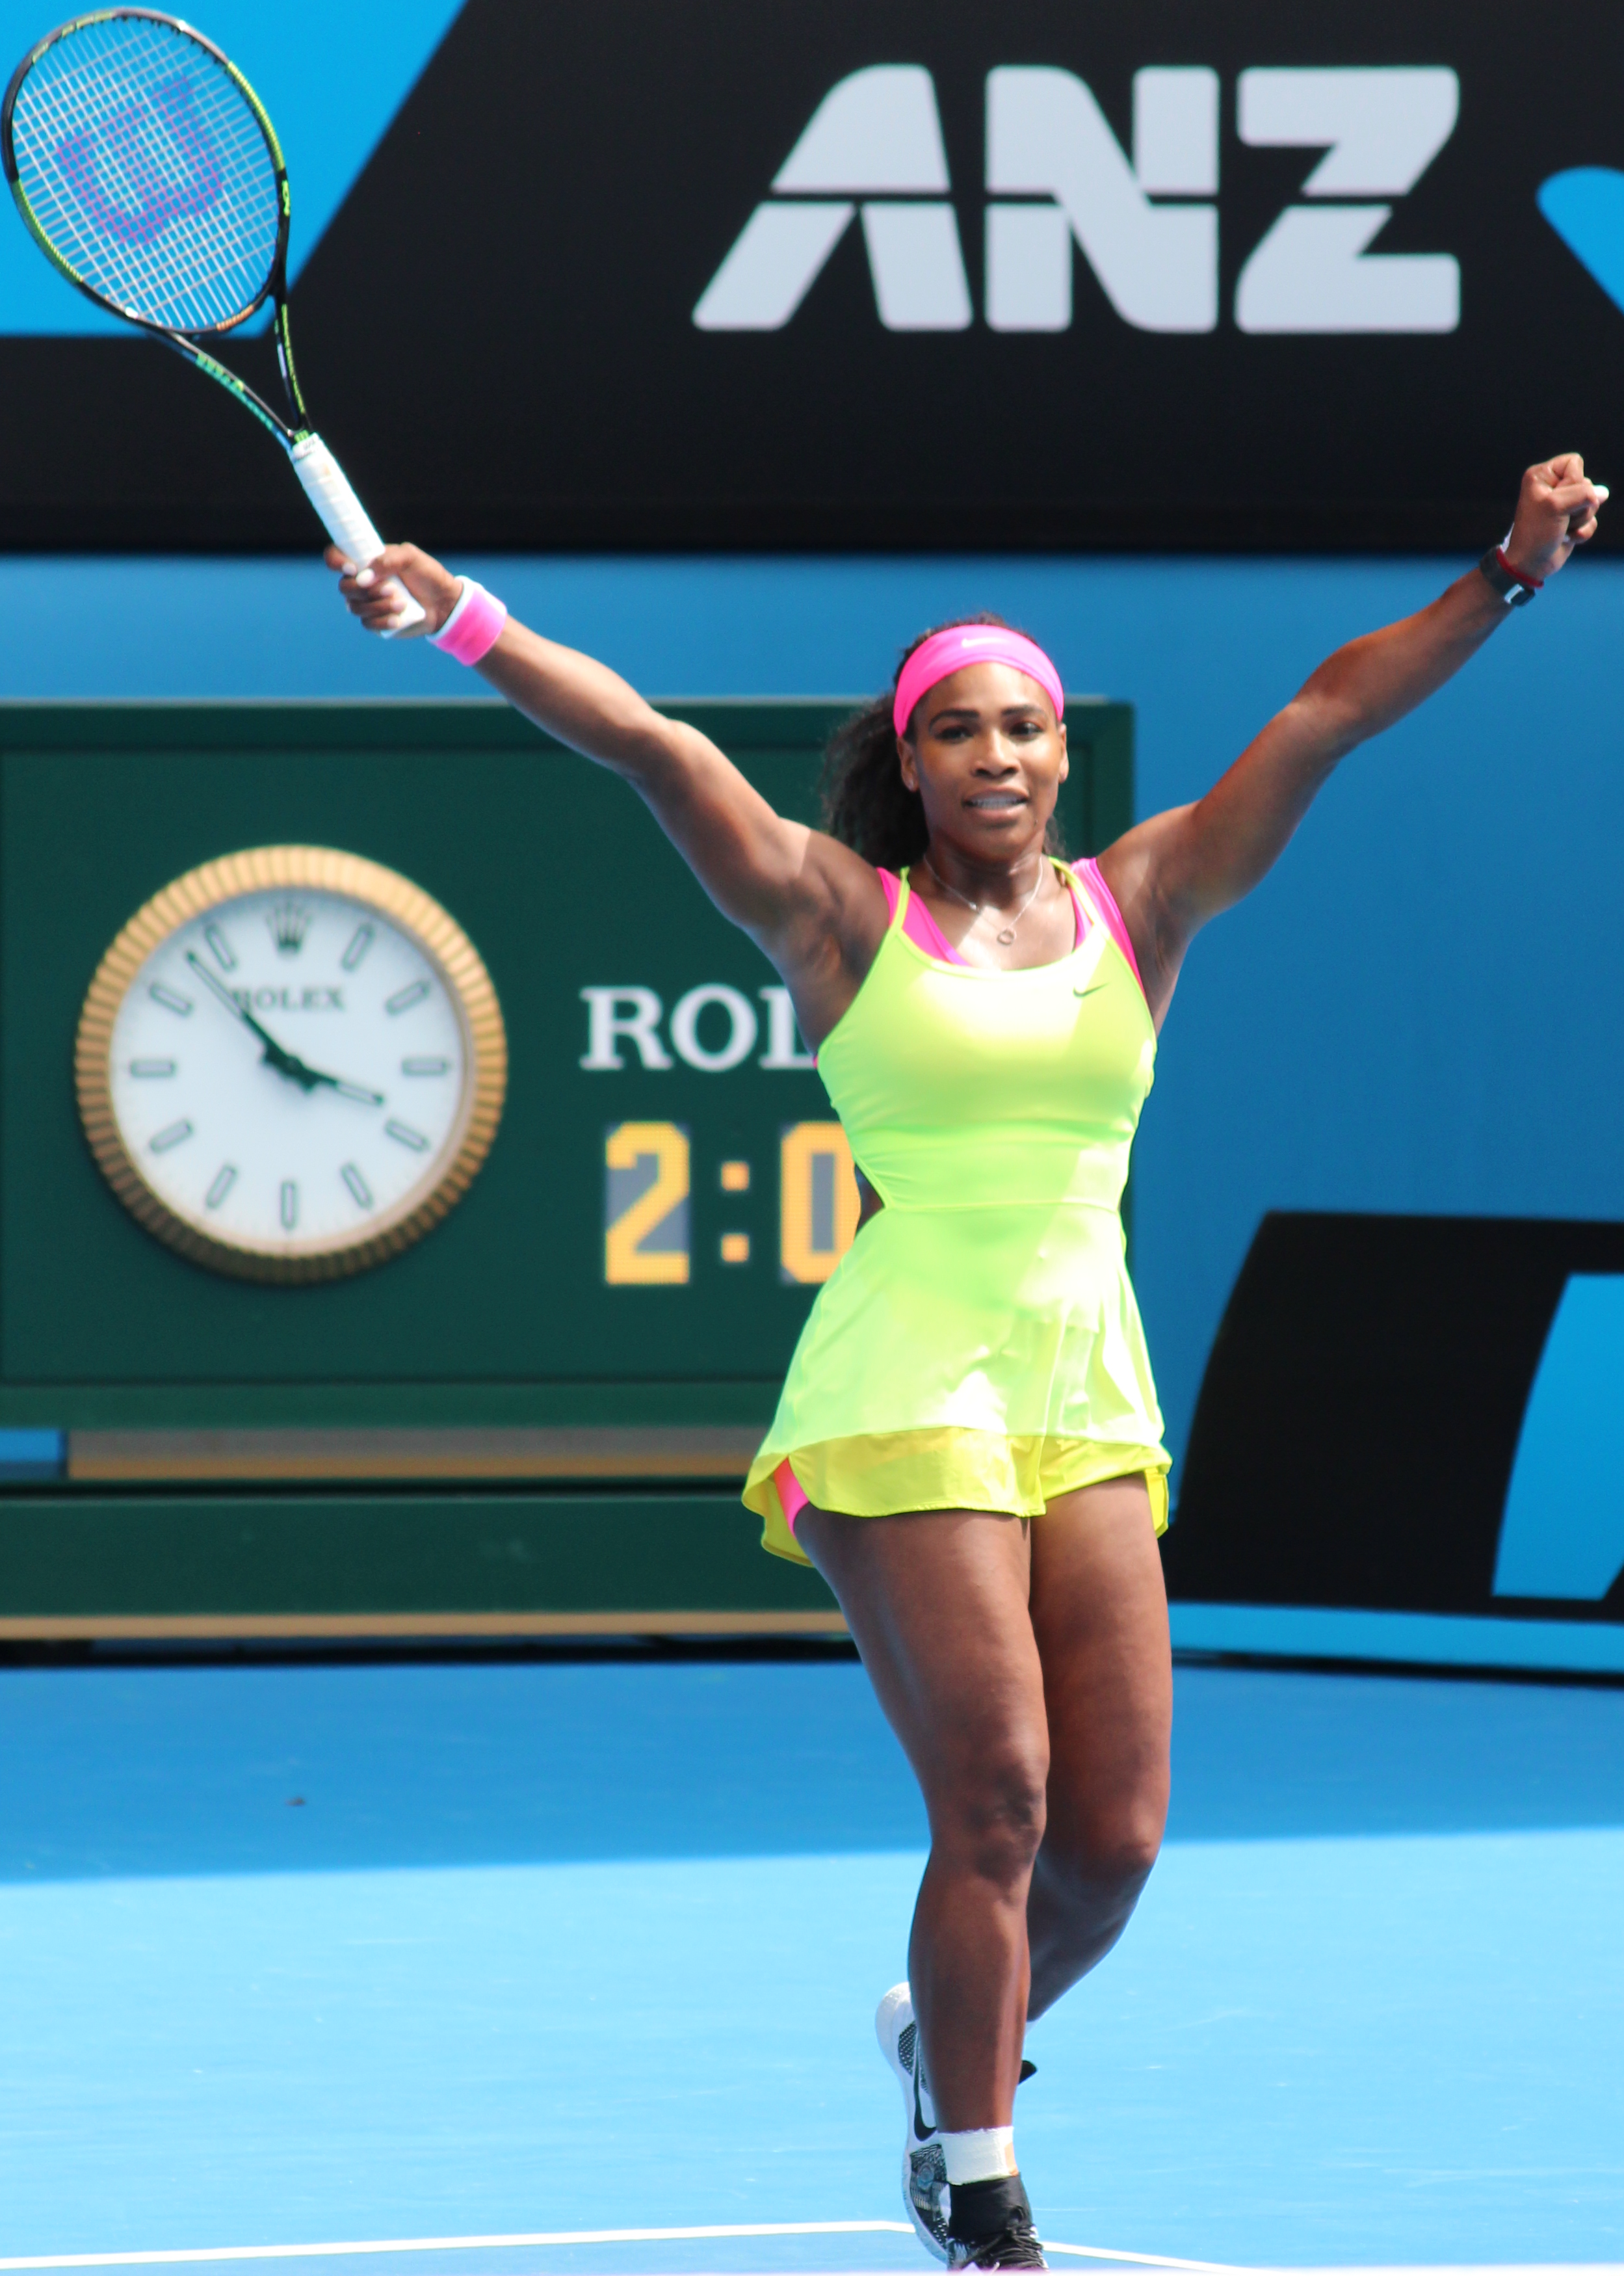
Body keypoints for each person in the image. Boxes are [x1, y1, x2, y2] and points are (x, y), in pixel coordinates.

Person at [328, 453, 1604, 2270]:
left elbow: (1325, 714)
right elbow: (653, 749)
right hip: (903, 1386)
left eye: (1025, 726)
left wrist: (1508, 572)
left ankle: (945, 2041)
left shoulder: (1146, 901)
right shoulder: (837, 915)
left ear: (1061, 754)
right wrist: (460, 619)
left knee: (1114, 1842)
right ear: (911, 762)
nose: (997, 754)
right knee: (996, 1792)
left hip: (1084, 1393)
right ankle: (977, 2175)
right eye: (959, 730)